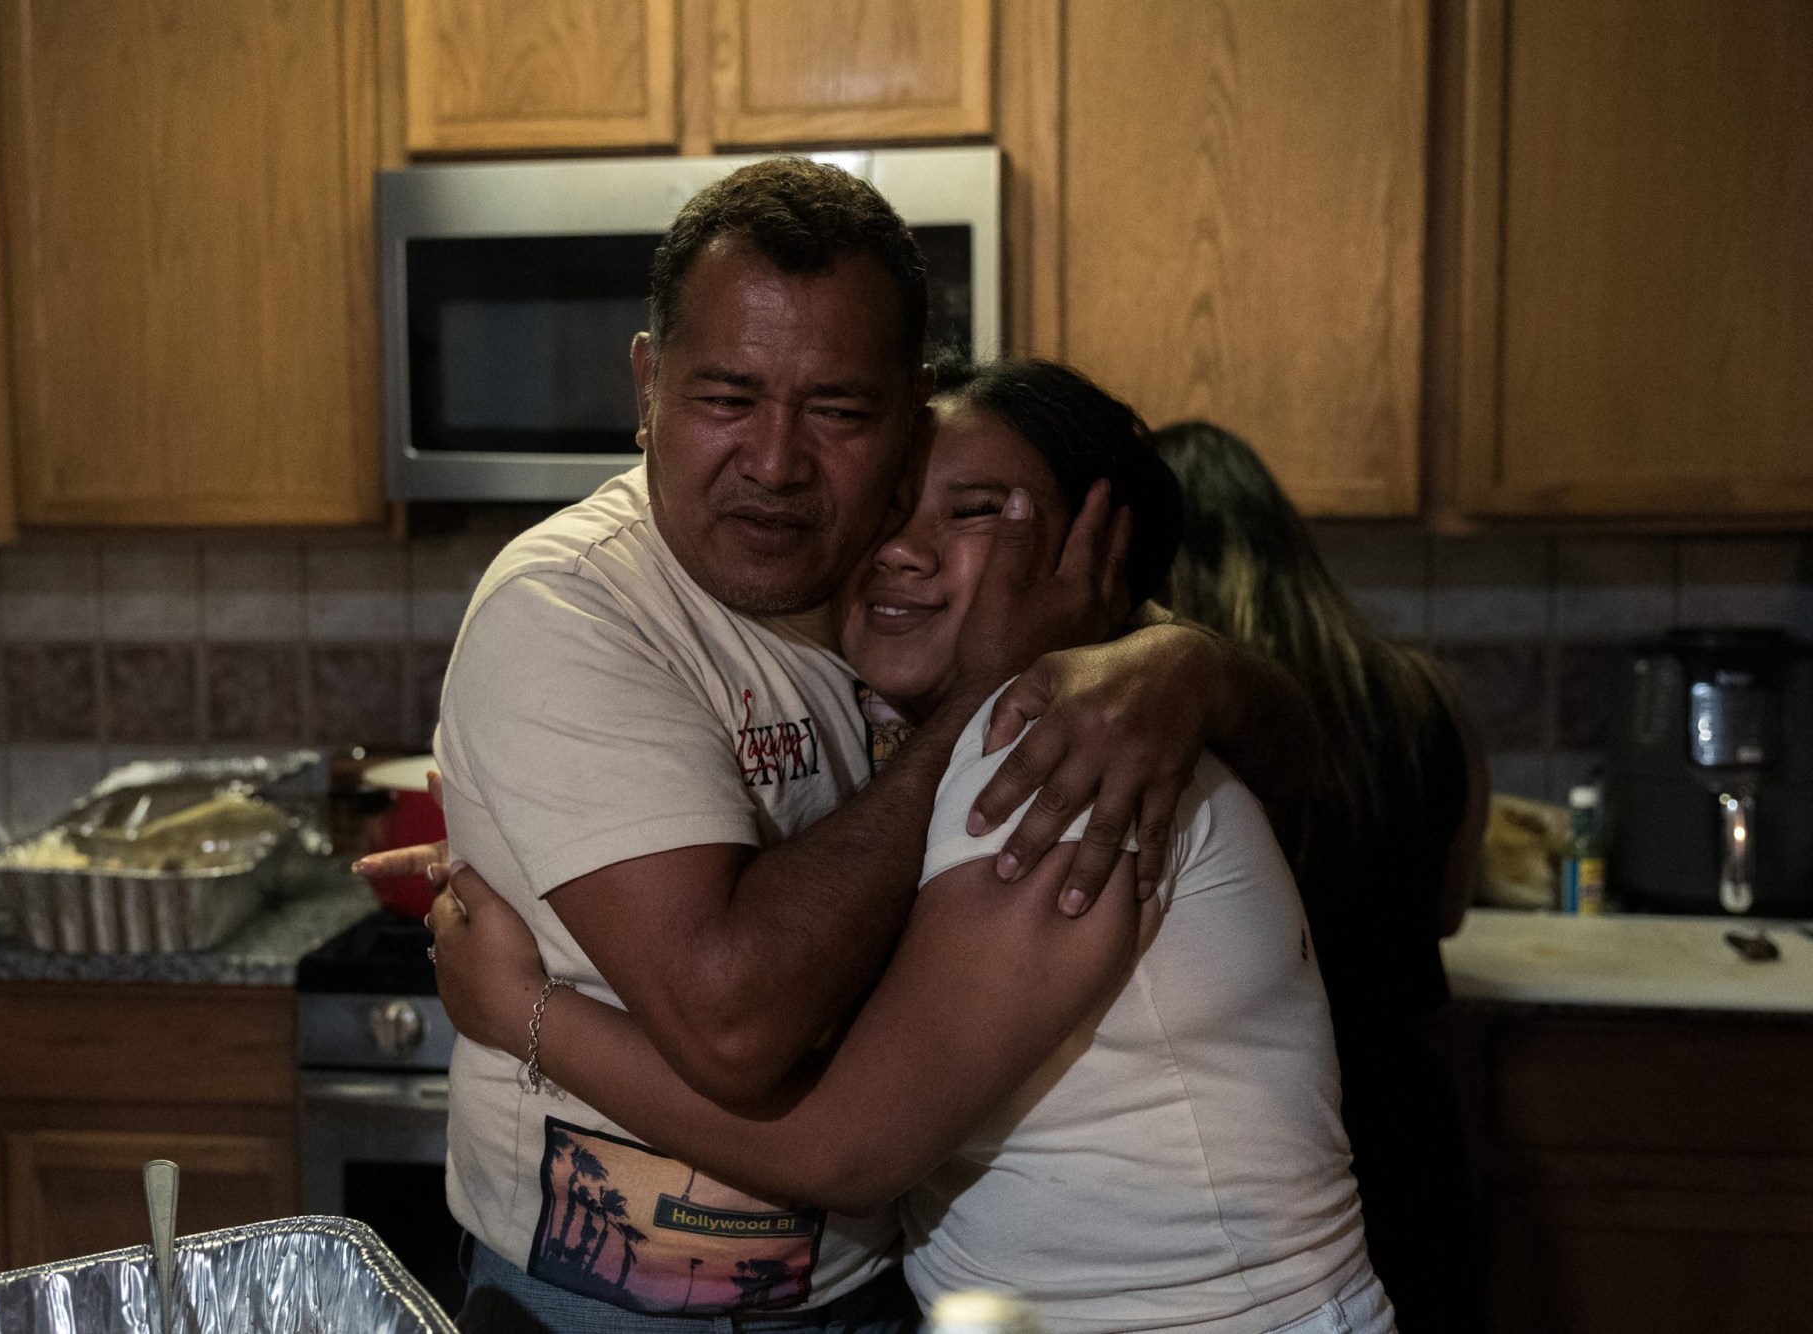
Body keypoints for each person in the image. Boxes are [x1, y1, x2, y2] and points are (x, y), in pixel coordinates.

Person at [420, 157, 1319, 1334]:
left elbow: (1300, 752)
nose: (778, 459)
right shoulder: (575, 605)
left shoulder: (927, 609)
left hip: (888, 1285)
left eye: (838, 411)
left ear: (908, 412)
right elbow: (733, 1023)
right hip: (617, 1304)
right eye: (724, 397)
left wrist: (1190, 661)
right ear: (647, 385)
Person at [1157, 421, 1488, 1333]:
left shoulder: (1175, 732)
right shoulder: (1420, 691)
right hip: (1403, 1117)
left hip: (1254, 1140)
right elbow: (1451, 908)